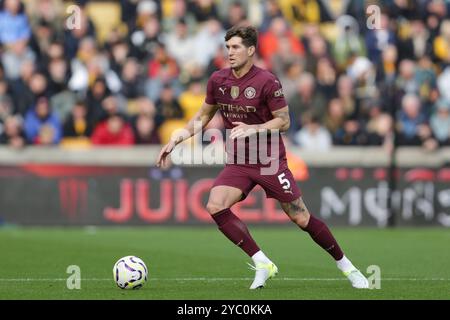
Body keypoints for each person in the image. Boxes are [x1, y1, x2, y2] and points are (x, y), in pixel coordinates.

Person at [156, 25, 369, 290]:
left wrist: (254, 128)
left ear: (251, 50)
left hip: (269, 160)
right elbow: (202, 117)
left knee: (300, 217)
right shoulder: (218, 80)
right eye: (228, 48)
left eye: (235, 47)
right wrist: (176, 138)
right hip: (239, 161)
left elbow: (284, 121)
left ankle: (347, 266)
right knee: (215, 204)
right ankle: (262, 262)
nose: (230, 53)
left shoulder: (267, 81)